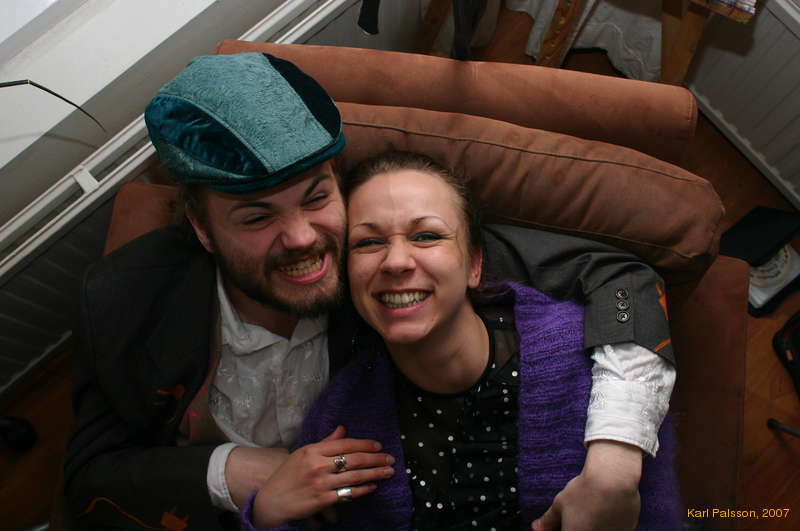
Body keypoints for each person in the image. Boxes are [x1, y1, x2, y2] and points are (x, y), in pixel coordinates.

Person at [63, 52, 675, 531]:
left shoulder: (377, 248)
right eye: (256, 217)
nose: (303, 239)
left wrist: (614, 464)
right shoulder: (121, 300)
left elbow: (620, 280)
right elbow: (91, 474)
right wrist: (239, 473)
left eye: (316, 198)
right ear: (201, 229)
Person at [245, 151, 681, 530]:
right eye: (369, 242)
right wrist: (266, 514)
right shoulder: (339, 420)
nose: (396, 261)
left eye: (427, 236)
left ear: (474, 265)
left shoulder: (594, 366)